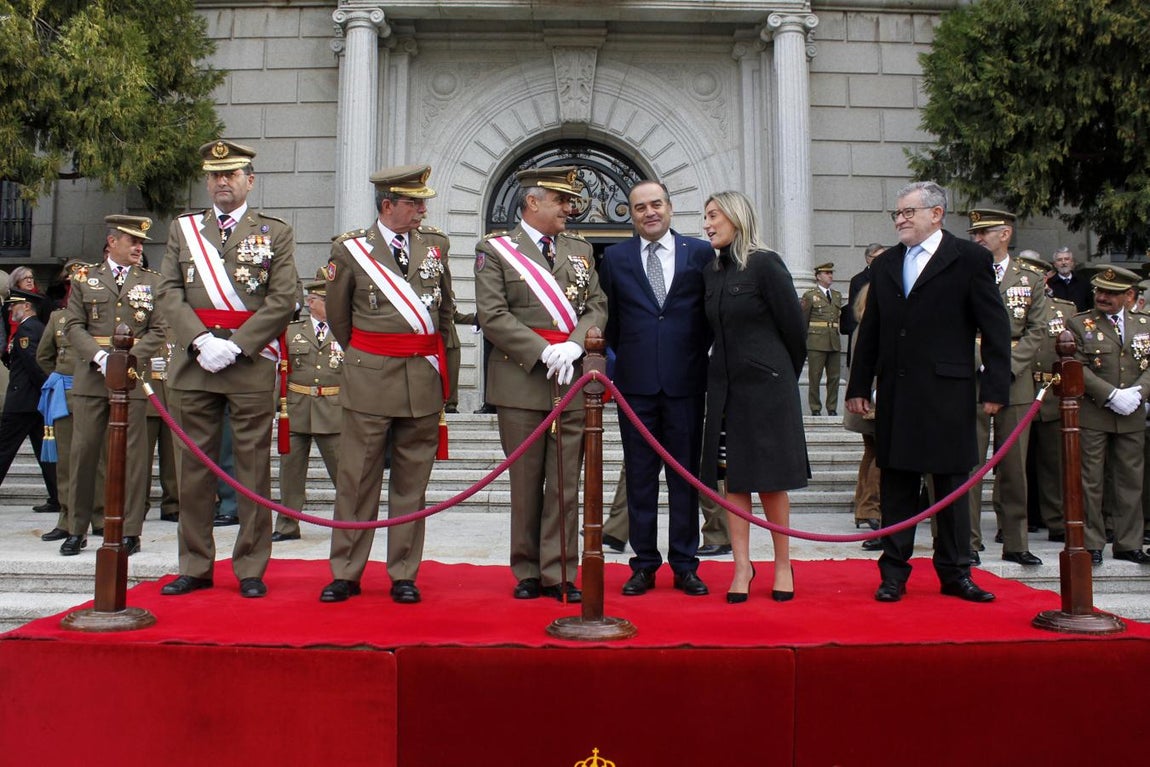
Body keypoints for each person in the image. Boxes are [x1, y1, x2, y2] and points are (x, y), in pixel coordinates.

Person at [846, 180, 1011, 604]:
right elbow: (872, 331)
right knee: (897, 485)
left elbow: (994, 326)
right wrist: (859, 385)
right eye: (896, 214)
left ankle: (956, 571)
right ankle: (894, 574)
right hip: (898, 392)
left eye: (908, 213)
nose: (900, 220)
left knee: (951, 488)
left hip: (947, 393)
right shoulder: (886, 265)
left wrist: (995, 386)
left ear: (936, 214)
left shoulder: (969, 258)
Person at [157, 139, 299, 598]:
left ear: (249, 181)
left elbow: (282, 300)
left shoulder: (275, 232)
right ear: (207, 181)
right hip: (195, 362)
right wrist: (200, 341)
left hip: (248, 363)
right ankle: (195, 564)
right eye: (215, 175)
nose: (222, 181)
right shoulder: (184, 231)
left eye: (232, 174)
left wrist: (235, 348)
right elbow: (168, 293)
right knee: (192, 470)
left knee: (252, 468)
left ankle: (251, 566)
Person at [474, 166, 607, 602]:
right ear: (533, 202)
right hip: (521, 379)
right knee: (526, 483)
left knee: (567, 483)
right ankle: (528, 569)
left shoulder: (580, 249)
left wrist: (573, 346)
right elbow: (492, 315)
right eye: (561, 200)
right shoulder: (496, 250)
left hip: (570, 378)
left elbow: (597, 305)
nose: (570, 208)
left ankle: (561, 570)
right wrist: (539, 349)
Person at [321, 164, 452, 604]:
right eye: (413, 202)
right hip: (371, 379)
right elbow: (340, 320)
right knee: (356, 481)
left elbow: (445, 316)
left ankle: (403, 573)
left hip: (421, 380)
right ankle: (346, 571)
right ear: (388, 205)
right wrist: (370, 359)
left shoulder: (435, 246)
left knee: (412, 486)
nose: (422, 209)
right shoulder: (350, 250)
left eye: (422, 202)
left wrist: (443, 375)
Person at [599, 179, 713, 597]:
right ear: (631, 214)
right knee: (641, 480)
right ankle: (644, 564)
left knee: (684, 478)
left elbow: (708, 315)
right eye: (640, 207)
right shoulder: (615, 257)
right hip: (636, 389)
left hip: (686, 384)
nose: (650, 212)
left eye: (656, 204)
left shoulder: (699, 254)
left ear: (670, 207)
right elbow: (609, 322)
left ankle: (685, 565)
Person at [699, 190, 808, 603]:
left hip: (767, 391)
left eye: (714, 215)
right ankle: (742, 565)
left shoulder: (765, 264)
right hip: (726, 392)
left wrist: (777, 377)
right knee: (734, 479)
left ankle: (783, 563)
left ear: (736, 216)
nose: (707, 224)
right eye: (705, 218)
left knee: (771, 481)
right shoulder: (712, 271)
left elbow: (794, 331)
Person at [61, 215, 163, 557]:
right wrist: (101, 358)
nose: (138, 248)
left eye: (141, 243)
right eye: (131, 241)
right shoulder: (85, 279)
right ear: (112, 242)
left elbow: (159, 331)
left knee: (134, 458)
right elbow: (73, 326)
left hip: (132, 379)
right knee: (85, 452)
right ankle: (76, 528)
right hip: (93, 377)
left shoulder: (152, 281)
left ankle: (131, 529)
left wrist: (127, 358)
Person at [962, 209, 1047, 567]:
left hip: (1015, 379)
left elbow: (1038, 329)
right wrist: (983, 359)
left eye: (985, 232)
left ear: (1005, 234)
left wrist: (1005, 366)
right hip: (973, 376)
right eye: (974, 233)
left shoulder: (1031, 278)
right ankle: (967, 541)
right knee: (970, 463)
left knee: (1014, 466)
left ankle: (1016, 541)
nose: (978, 239)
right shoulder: (962, 273)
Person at [1065, 265, 1150, 565]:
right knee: (1091, 479)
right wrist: (1111, 394)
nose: (1102, 297)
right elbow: (1076, 364)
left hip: (1132, 412)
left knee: (1131, 479)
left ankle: (1128, 542)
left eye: (1111, 294)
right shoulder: (1079, 323)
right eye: (1099, 291)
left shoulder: (1144, 324)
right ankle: (1092, 542)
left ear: (1129, 296)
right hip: (1095, 411)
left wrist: (1138, 393)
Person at [37, 262, 106, 543]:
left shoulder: (106, 318)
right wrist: (61, 379)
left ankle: (101, 518)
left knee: (100, 460)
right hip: (66, 396)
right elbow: (44, 356)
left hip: (99, 392)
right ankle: (67, 520)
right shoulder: (58, 318)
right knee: (67, 462)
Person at [274, 270, 343, 543]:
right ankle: (287, 524)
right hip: (297, 407)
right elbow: (280, 372)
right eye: (327, 301)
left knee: (343, 472)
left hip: (334, 408)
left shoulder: (345, 331)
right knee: (290, 472)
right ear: (312, 302)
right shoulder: (292, 332)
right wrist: (275, 408)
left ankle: (350, 522)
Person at [0, 289, 58, 514]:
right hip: (33, 402)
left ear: (26, 306)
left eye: (13, 306)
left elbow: (36, 365)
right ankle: (57, 497)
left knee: (3, 448)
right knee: (46, 453)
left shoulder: (28, 329)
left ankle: (57, 498)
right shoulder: (33, 328)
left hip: (23, 402)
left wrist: (47, 389)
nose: (10, 310)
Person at [842, 283, 882, 548]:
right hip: (874, 398)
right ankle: (871, 507)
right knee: (882, 456)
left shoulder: (862, 325)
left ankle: (864, 507)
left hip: (866, 399)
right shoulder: (872, 327)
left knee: (872, 453)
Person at [801, 262, 843, 416]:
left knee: (834, 377)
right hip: (816, 341)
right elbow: (803, 319)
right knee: (815, 376)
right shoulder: (810, 295)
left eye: (831, 273)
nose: (830, 276)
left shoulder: (837, 295)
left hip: (834, 340)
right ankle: (815, 408)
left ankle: (831, 407)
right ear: (818, 276)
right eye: (826, 273)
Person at [841, 244, 885, 366]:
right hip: (865, 332)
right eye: (875, 257)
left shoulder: (891, 276)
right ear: (867, 259)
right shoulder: (858, 280)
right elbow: (854, 310)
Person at [445, 295, 477, 413]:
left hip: (452, 341)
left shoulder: (450, 292)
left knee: (452, 374)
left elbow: (455, 316)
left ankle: (451, 405)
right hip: (436, 339)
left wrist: (476, 318)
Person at [1047, 246, 1092, 312]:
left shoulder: (1084, 282)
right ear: (1055, 265)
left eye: (1066, 259)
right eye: (1059, 260)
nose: (1063, 262)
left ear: (1072, 262)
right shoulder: (1049, 284)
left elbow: (1090, 305)